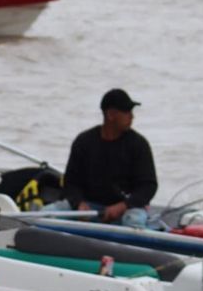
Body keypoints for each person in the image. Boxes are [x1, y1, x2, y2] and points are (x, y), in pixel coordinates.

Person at [57, 89, 158, 228]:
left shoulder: (139, 144)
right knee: (49, 213)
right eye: (127, 112)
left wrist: (123, 206)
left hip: (128, 209)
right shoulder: (84, 142)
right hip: (90, 209)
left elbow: (148, 186)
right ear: (110, 114)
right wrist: (79, 204)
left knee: (134, 221)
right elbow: (71, 183)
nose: (132, 116)